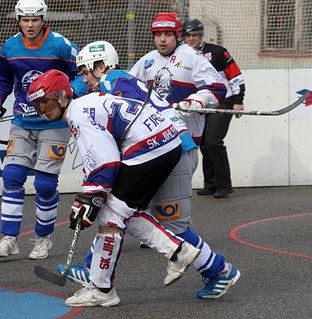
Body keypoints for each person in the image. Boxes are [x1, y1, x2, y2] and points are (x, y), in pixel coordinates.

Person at [62, 14, 241, 300]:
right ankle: (93, 269)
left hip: (176, 148)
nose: (85, 81)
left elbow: (218, 87)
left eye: (86, 73)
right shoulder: (141, 64)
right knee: (121, 207)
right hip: (158, 149)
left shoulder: (116, 79)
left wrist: (196, 100)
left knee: (172, 225)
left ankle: (220, 270)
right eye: (157, 33)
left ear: (101, 66)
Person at [28, 69, 200, 307]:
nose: (41, 109)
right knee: (123, 210)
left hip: (148, 148)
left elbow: (107, 163)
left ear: (61, 97)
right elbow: (102, 162)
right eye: (36, 104)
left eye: (44, 101)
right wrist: (89, 194)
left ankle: (103, 289)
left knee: (111, 216)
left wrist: (88, 199)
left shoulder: (77, 115)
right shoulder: (85, 105)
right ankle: (176, 251)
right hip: (165, 143)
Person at [0, 0, 79, 260]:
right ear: (18, 19)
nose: (30, 24)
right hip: (22, 121)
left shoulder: (61, 45)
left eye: (35, 19)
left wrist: (69, 100)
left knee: (45, 183)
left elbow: (81, 74)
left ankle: (43, 238)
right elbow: (2, 82)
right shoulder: (10, 47)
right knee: (12, 176)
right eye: (25, 19)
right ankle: (9, 238)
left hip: (53, 122)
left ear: (43, 19)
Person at [183, 18, 245, 198]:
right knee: (203, 143)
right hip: (202, 103)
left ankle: (225, 185)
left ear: (201, 35)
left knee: (213, 141)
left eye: (195, 35)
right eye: (188, 35)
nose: (191, 38)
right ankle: (210, 184)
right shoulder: (183, 55)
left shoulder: (218, 52)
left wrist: (238, 100)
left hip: (224, 101)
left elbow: (235, 76)